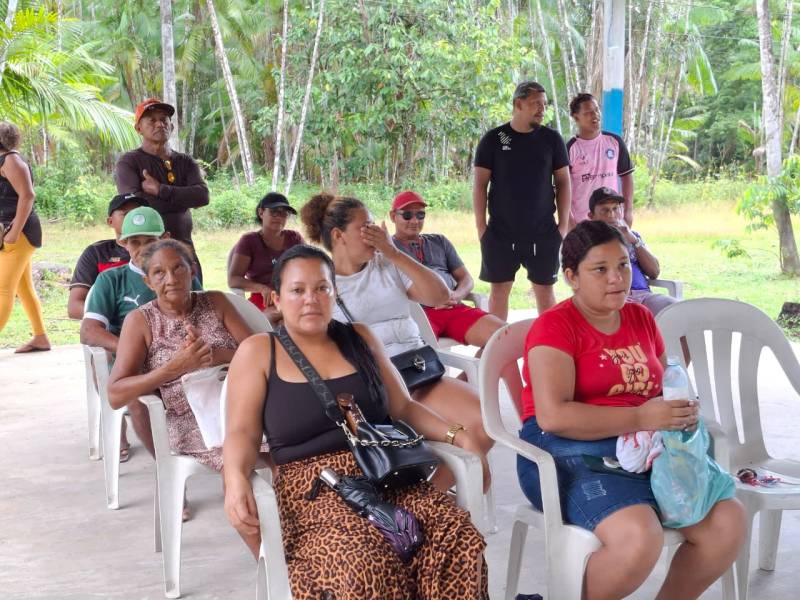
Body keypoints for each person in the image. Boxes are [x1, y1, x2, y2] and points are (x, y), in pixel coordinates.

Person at [223, 244, 489, 598]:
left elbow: (404, 407)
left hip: (384, 473)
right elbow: (241, 430)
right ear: (276, 298)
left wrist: (457, 434)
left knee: (454, 534)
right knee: (363, 560)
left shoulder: (359, 337)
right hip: (313, 489)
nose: (311, 299)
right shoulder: (259, 351)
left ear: (335, 292)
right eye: (297, 290)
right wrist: (235, 479)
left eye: (322, 288)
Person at [517, 220, 745, 600]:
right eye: (600, 269)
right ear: (572, 277)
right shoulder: (554, 327)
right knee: (639, 538)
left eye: (623, 265)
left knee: (727, 521)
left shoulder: (640, 318)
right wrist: (642, 417)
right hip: (566, 451)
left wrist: (676, 409)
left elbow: (661, 383)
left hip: (643, 449)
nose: (616, 278)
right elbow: (554, 416)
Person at [300, 193, 493, 488]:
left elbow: (440, 297)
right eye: (364, 227)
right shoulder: (323, 283)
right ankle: (434, 506)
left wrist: (392, 252)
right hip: (375, 388)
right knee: (473, 459)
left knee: (485, 426)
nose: (374, 233)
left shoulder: (386, 264)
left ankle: (427, 501)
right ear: (339, 236)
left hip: (418, 372)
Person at [107, 239, 253, 473]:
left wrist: (217, 355)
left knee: (285, 454)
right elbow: (115, 394)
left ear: (192, 270)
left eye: (178, 268)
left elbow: (261, 354)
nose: (171, 279)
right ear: (148, 281)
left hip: (243, 403)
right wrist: (176, 367)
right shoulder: (140, 321)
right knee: (237, 467)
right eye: (159, 273)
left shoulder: (216, 301)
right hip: (189, 419)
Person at [81, 206, 200, 458]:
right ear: (122, 243)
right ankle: (166, 466)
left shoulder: (181, 273)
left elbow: (202, 314)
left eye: (150, 240)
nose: (143, 248)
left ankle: (221, 453)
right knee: (138, 398)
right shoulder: (111, 280)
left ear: (165, 238)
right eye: (135, 241)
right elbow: (89, 331)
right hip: (135, 363)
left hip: (185, 357)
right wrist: (131, 350)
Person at [473, 80, 571, 320]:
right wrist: (481, 228)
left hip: (543, 231)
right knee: (499, 291)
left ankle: (549, 348)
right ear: (518, 104)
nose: (542, 109)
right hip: (500, 232)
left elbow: (564, 182)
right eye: (536, 104)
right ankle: (496, 351)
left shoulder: (552, 140)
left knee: (545, 291)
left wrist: (563, 226)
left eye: (544, 104)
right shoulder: (495, 139)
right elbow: (479, 185)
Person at [389, 189, 506, 356]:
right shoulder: (387, 249)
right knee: (418, 360)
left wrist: (456, 296)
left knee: (504, 338)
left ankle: (468, 381)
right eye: (407, 215)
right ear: (393, 216)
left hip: (453, 308)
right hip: (416, 314)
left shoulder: (439, 241)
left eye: (420, 215)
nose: (414, 220)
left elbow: (466, 278)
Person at [115, 98, 209, 282]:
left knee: (193, 301)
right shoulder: (129, 162)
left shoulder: (185, 162)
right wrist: (182, 200)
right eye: (151, 120)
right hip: (146, 252)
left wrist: (160, 190)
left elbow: (202, 196)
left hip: (184, 248)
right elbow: (134, 206)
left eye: (164, 119)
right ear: (138, 128)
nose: (159, 124)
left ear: (171, 127)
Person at [0, 121, 50, 353]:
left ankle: (41, 336)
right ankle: (40, 337)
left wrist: (14, 231)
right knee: (24, 287)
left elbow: (28, 196)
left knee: (3, 289)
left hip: (18, 233)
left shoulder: (11, 160)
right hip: (12, 231)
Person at [588, 186, 677, 316]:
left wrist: (634, 241)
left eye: (615, 209)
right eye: (604, 211)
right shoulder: (587, 240)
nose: (611, 215)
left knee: (677, 310)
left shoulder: (632, 236)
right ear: (592, 216)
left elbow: (654, 272)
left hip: (643, 296)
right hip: (611, 298)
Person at [67, 193, 148, 320]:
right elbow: (74, 306)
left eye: (139, 213)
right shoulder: (96, 253)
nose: (135, 218)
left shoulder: (164, 253)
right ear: (110, 221)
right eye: (126, 214)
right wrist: (116, 317)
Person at [227, 192, 304, 322]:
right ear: (261, 212)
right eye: (274, 212)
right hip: (264, 300)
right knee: (277, 322)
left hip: (294, 295)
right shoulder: (249, 241)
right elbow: (234, 279)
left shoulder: (294, 238)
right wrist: (261, 288)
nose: (279, 217)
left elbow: (310, 264)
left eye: (284, 213)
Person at [567, 93, 635, 228]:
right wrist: (569, 221)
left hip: (613, 220)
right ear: (576, 117)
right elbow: (563, 189)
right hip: (583, 223)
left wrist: (628, 211)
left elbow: (626, 176)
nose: (595, 115)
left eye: (597, 110)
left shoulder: (614, 142)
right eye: (588, 113)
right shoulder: (570, 148)